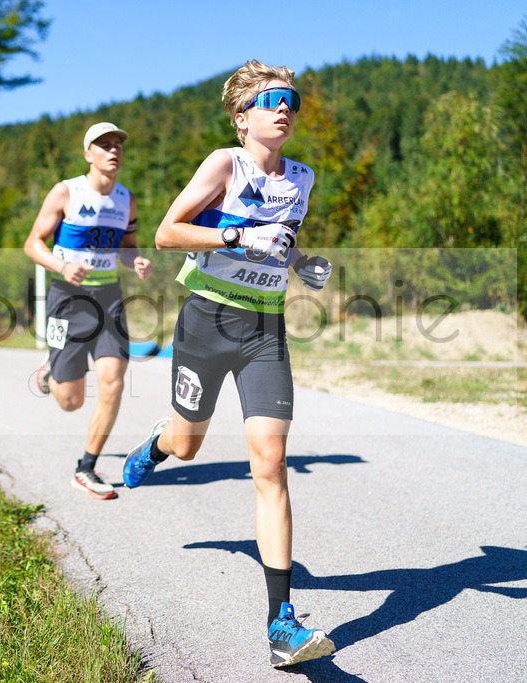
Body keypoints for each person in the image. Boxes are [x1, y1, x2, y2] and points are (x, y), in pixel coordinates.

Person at [120, 61, 336, 667]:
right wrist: (239, 239)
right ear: (242, 118)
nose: (285, 107)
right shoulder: (226, 163)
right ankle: (154, 448)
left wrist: (301, 264)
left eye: (291, 99)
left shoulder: (302, 177)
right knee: (186, 443)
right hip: (207, 322)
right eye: (271, 99)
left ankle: (281, 624)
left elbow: (280, 240)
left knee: (270, 466)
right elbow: (167, 233)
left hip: (266, 329)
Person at [24, 121, 152, 500]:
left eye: (118, 145)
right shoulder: (66, 192)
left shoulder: (126, 198)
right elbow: (33, 243)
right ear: (88, 154)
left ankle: (86, 468)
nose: (114, 151)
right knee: (71, 401)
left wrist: (137, 262)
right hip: (68, 298)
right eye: (104, 145)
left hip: (109, 297)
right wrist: (62, 266)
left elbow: (127, 246)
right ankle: (52, 369)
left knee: (113, 381)